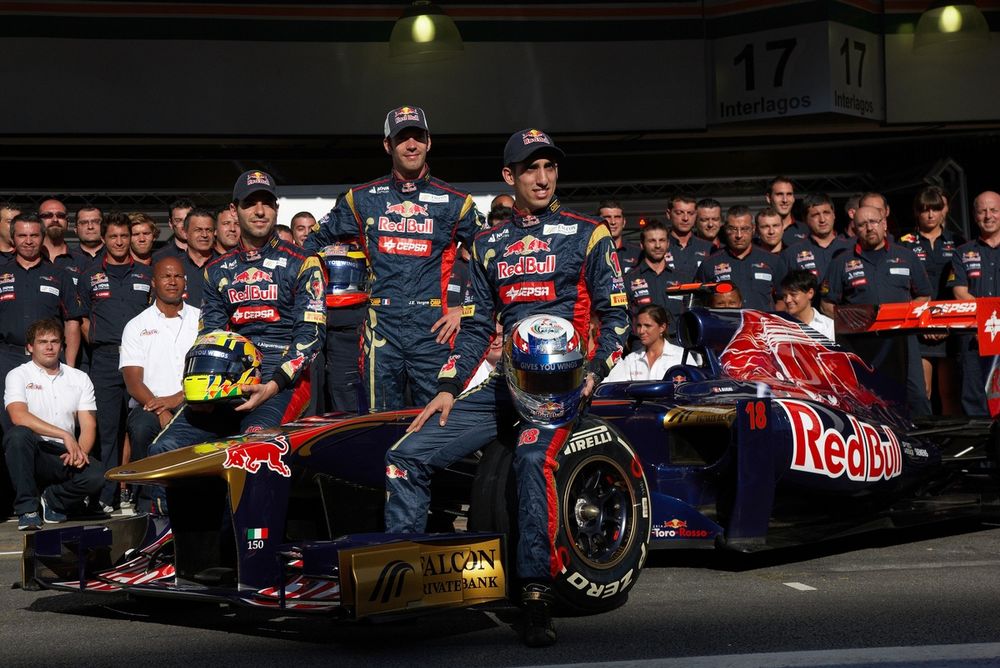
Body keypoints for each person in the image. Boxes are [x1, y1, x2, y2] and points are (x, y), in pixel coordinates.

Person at [383, 128, 629, 647]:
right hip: (503, 384)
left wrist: (591, 375)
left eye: (549, 167)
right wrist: (448, 387)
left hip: (563, 389)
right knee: (405, 455)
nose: (542, 178)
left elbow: (617, 318)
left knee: (529, 461)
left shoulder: (589, 234)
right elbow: (474, 327)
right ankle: (404, 586)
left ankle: (536, 594)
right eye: (530, 169)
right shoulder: (488, 243)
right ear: (509, 177)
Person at [147, 170, 325, 484]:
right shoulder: (216, 269)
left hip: (284, 377)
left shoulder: (304, 262)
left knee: (254, 449)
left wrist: (272, 386)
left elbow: (311, 335)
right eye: (250, 203)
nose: (259, 210)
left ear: (276, 209)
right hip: (228, 374)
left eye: (267, 203)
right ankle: (188, 530)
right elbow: (209, 334)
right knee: (166, 448)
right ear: (234, 210)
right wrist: (202, 393)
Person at [304, 105, 481, 412]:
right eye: (402, 138)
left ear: (429, 141)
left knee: (437, 420)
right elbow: (309, 247)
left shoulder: (456, 202)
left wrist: (463, 310)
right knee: (380, 419)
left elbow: (490, 260)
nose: (411, 145)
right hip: (379, 326)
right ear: (388, 145)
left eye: (417, 137)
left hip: (434, 328)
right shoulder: (360, 199)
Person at [822, 205, 932, 416]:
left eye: (873, 222)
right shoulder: (841, 262)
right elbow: (827, 304)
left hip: (903, 340)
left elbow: (924, 295)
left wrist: (907, 317)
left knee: (916, 395)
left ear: (884, 225)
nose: (869, 228)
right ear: (855, 229)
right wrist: (850, 321)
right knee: (869, 398)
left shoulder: (907, 256)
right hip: (864, 343)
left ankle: (924, 444)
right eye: (862, 225)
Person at [76, 212, 154, 512]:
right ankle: (106, 496)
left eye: (125, 236)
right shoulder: (89, 275)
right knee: (108, 432)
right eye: (114, 237)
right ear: (104, 239)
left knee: (141, 429)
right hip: (106, 359)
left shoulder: (147, 275)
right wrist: (99, 340)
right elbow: (81, 320)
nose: (120, 242)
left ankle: (139, 495)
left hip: (141, 361)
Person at [3, 319, 101, 530]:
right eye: (42, 342)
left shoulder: (79, 378)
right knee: (17, 435)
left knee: (97, 476)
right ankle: (28, 509)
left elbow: (88, 425)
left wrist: (79, 453)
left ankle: (52, 500)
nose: (49, 347)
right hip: (32, 451)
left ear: (62, 345)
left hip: (63, 454)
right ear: (30, 347)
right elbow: (18, 416)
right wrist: (65, 435)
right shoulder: (18, 375)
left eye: (54, 341)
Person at [119, 256, 199, 512]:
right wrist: (162, 410)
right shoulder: (137, 325)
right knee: (142, 429)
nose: (173, 282)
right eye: (166, 276)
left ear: (185, 281)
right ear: (154, 282)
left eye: (178, 276)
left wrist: (178, 399)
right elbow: (133, 383)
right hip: (149, 406)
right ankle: (146, 503)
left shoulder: (202, 320)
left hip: (194, 401)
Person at [0, 214, 83, 407]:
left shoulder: (59, 275)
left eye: (34, 236)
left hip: (49, 359)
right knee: (8, 422)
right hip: (7, 357)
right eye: (22, 236)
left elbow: (72, 321)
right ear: (13, 238)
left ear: (42, 237)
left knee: (49, 419)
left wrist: (69, 367)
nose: (28, 241)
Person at [900, 186, 963, 413]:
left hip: (950, 324)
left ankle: (952, 445)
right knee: (922, 391)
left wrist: (945, 323)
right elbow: (903, 289)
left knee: (950, 392)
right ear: (917, 212)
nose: (930, 215)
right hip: (918, 325)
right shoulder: (905, 243)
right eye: (924, 210)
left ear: (942, 211)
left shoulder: (957, 241)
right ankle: (926, 443)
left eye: (934, 209)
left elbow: (960, 287)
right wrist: (923, 321)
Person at [949, 190, 1000, 417]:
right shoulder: (962, 253)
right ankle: (980, 449)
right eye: (982, 211)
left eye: (993, 210)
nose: (988, 216)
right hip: (973, 336)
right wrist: (985, 321)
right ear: (974, 215)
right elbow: (960, 292)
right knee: (973, 394)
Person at [696, 205, 785, 310]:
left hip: (762, 325)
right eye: (733, 229)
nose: (739, 235)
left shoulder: (773, 260)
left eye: (744, 229)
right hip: (725, 326)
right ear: (725, 229)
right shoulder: (709, 264)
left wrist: (772, 320)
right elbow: (699, 303)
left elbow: (783, 300)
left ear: (753, 229)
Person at [624, 219, 684, 335]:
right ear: (642, 244)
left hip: (676, 345)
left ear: (668, 244)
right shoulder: (628, 279)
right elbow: (622, 318)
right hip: (641, 346)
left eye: (662, 240)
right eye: (652, 241)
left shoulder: (682, 278)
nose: (657, 245)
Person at [606, 305, 691, 381]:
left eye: (647, 326)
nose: (641, 331)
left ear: (662, 327)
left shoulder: (682, 356)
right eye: (639, 325)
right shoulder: (631, 360)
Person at [781, 193, 851, 280]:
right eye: (815, 215)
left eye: (826, 213)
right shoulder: (791, 254)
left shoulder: (851, 247)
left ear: (834, 215)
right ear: (804, 219)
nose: (822, 219)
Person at [666, 193, 712, 281]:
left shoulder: (709, 248)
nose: (686, 218)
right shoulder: (657, 247)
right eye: (679, 213)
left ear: (696, 215)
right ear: (668, 214)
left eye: (690, 213)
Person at [178, 208, 217, 308]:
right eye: (198, 230)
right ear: (185, 233)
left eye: (209, 230)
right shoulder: (174, 266)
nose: (204, 235)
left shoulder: (226, 265)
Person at [780, 270, 835, 340]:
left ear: (810, 293)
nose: (787, 300)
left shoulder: (829, 326)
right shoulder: (780, 327)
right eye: (784, 295)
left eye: (793, 294)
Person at [598, 199, 640, 270]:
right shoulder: (589, 253)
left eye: (617, 217)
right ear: (597, 222)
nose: (613, 222)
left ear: (624, 222)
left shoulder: (639, 253)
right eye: (607, 217)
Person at [764, 176, 807, 246]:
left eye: (789, 194)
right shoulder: (756, 233)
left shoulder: (806, 230)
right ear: (769, 198)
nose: (785, 200)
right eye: (779, 194)